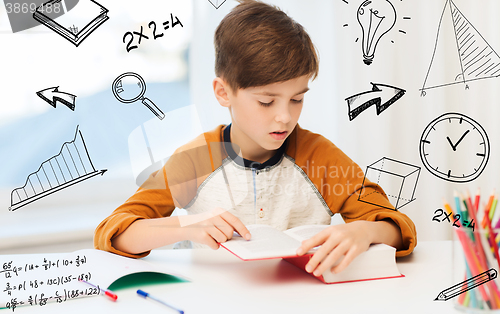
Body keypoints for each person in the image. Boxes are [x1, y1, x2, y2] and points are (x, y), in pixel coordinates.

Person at [94, 0, 416, 277]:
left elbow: (400, 228)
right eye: (266, 101)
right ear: (223, 93)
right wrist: (182, 229)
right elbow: (113, 232)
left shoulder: (320, 158)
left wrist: (366, 230)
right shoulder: (195, 160)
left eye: (297, 99)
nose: (285, 117)